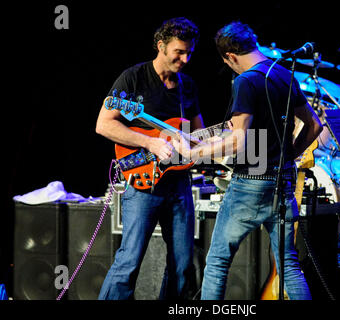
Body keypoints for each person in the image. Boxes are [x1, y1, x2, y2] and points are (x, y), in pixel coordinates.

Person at [172, 21, 323, 300]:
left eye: (229, 64)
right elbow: (314, 125)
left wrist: (193, 154)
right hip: (284, 184)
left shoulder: (245, 81)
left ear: (230, 57)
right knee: (288, 264)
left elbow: (238, 140)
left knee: (217, 262)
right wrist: (290, 153)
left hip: (250, 185)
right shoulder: (284, 75)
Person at [95, 17, 204, 300]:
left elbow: (199, 133)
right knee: (129, 261)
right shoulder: (133, 78)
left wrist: (225, 139)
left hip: (179, 183)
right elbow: (104, 124)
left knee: (182, 265)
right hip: (143, 183)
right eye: (179, 51)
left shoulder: (187, 85)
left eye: (189, 52)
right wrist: (150, 142)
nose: (185, 58)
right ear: (161, 46)